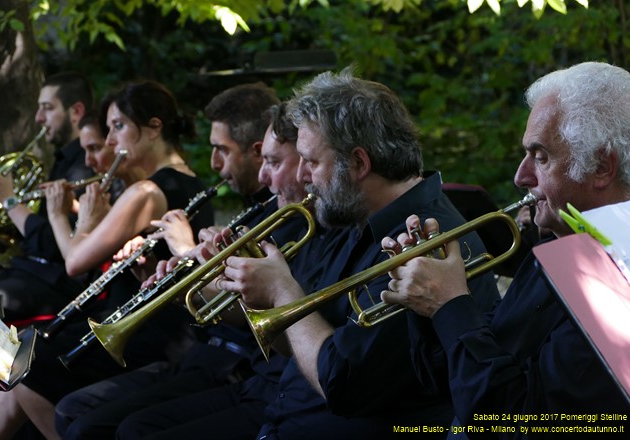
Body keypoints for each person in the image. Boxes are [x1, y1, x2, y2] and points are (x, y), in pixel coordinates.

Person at [179, 68, 500, 439]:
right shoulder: (357, 219)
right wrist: (256, 293)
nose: (303, 177)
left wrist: (283, 291)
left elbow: (342, 383)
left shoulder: (423, 243)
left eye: (312, 162)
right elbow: (302, 341)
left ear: (359, 164)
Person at [381, 61, 630, 434]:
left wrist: (451, 306)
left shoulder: (618, 274)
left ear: (601, 168)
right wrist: (428, 302)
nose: (521, 176)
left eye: (541, 156)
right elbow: (452, 385)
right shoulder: (562, 244)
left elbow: (511, 419)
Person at [0, 80, 215, 440]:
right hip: (148, 320)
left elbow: (75, 262)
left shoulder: (148, 190)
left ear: (154, 128)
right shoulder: (184, 181)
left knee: (26, 361)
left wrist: (57, 213)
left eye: (118, 126)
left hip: (146, 330)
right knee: (21, 355)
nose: (109, 141)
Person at [53, 85, 287, 439]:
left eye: (221, 150)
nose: (212, 163)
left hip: (230, 363)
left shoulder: (282, 217)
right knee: (73, 411)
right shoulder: (258, 209)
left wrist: (185, 250)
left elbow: (250, 309)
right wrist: (159, 275)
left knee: (107, 425)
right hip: (205, 353)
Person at [0, 72, 95, 322]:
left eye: (48, 109)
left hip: (55, 283)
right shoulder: (62, 161)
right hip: (29, 270)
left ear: (76, 111)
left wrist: (9, 201)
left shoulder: (86, 168)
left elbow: (57, 247)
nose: (39, 118)